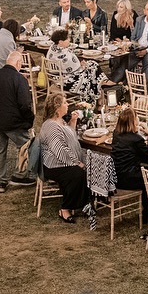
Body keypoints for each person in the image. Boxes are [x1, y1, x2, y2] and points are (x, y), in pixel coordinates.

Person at [0, 49, 35, 193]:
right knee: (25, 146)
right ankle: (20, 175)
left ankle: (0, 182)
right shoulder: (19, 79)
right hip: (13, 123)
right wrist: (29, 119)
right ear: (18, 63)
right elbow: (24, 104)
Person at [40, 91, 96, 229]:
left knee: (92, 163)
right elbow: (60, 150)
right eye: (65, 102)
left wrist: (73, 121)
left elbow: (68, 136)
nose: (67, 104)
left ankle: (87, 201)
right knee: (78, 174)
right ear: (57, 108)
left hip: (64, 161)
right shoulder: (51, 126)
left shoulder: (60, 121)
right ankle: (65, 208)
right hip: (54, 165)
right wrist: (77, 163)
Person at [47, 28, 104, 104]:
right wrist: (82, 66)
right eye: (67, 39)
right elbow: (74, 69)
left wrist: (80, 65)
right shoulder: (63, 54)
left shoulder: (53, 48)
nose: (69, 40)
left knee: (92, 64)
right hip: (67, 82)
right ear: (60, 42)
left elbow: (69, 66)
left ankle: (100, 90)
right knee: (93, 69)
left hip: (57, 78)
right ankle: (100, 91)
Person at [109, 105, 148, 193]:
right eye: (136, 116)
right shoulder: (136, 139)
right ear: (133, 121)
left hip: (115, 176)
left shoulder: (116, 134)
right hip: (129, 180)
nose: (138, 118)